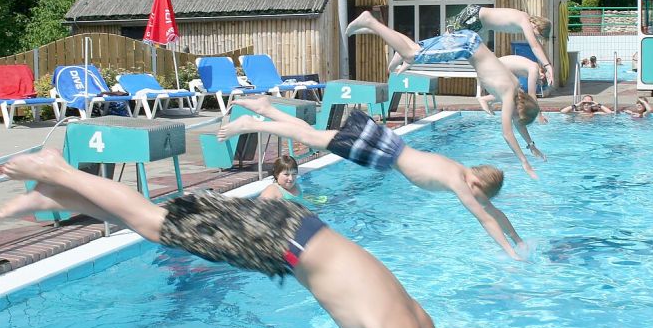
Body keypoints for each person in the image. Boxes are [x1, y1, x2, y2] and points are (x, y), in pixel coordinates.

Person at [0, 150, 475, 328]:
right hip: (284, 243)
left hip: (299, 231)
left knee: (160, 225)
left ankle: (56, 192)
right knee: (154, 224)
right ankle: (56, 169)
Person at [218, 96, 528, 259]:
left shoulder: (460, 168)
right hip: (382, 153)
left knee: (313, 135)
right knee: (311, 139)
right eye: (479, 194)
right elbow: (486, 219)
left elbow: (493, 211)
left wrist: (519, 239)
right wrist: (510, 252)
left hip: (387, 142)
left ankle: (267, 109)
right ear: (477, 184)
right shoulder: (459, 183)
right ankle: (252, 123)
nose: (477, 199)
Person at [345, 12, 545, 178]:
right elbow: (507, 133)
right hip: (467, 46)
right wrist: (524, 162)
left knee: (413, 51)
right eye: (515, 117)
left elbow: (519, 122)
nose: (512, 119)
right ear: (518, 112)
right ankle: (370, 21)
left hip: (470, 42)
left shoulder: (515, 89)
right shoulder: (509, 94)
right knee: (411, 54)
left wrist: (531, 144)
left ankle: (380, 34)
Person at [442, 5, 556, 86]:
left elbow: (538, 46)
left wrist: (549, 65)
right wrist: (547, 66)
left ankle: (443, 46)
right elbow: (535, 46)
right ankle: (436, 46)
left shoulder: (526, 22)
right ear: (537, 26)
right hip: (474, 15)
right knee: (448, 38)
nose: (538, 37)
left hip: (478, 23)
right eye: (539, 35)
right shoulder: (524, 20)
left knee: (457, 43)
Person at [478, 55, 549, 124]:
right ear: (542, 75)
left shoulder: (532, 66)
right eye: (538, 81)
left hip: (494, 66)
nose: (536, 82)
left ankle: (487, 100)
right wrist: (539, 116)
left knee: (515, 93)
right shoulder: (534, 69)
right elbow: (532, 95)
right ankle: (485, 100)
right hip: (493, 67)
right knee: (511, 94)